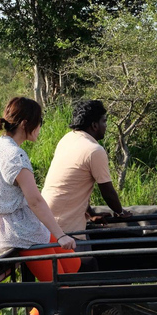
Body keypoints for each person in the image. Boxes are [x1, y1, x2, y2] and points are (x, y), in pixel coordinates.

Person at [0, 97, 79, 282]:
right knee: (61, 286)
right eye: (39, 122)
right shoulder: (15, 155)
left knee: (73, 264)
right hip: (18, 231)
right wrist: (61, 235)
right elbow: (35, 201)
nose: (40, 127)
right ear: (25, 124)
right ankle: (36, 313)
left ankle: (39, 310)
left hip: (15, 226)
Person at [42, 100, 131, 245]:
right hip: (66, 226)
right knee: (88, 264)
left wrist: (91, 214)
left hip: (46, 218)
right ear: (94, 125)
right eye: (104, 121)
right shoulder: (94, 150)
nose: (106, 125)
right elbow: (107, 192)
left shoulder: (68, 139)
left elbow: (73, 185)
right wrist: (121, 212)